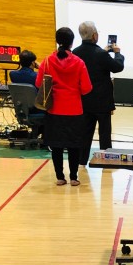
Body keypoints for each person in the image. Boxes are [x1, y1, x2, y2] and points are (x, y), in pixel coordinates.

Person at [36, 27, 92, 186]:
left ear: (57, 41)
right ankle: (74, 177)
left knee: (56, 145)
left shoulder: (47, 61)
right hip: (74, 109)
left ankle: (60, 177)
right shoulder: (79, 62)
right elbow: (87, 88)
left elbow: (39, 83)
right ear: (72, 42)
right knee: (74, 145)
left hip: (54, 109)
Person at [73, 21, 125, 160]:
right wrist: (118, 54)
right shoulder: (101, 54)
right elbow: (117, 67)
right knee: (104, 134)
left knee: (85, 133)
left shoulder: (75, 53)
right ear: (94, 35)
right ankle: (106, 161)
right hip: (102, 101)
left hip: (84, 100)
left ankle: (82, 161)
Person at [9, 50, 45, 140]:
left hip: (21, 110)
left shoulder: (13, 74)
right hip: (37, 110)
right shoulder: (37, 76)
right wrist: (41, 68)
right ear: (33, 63)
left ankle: (35, 134)